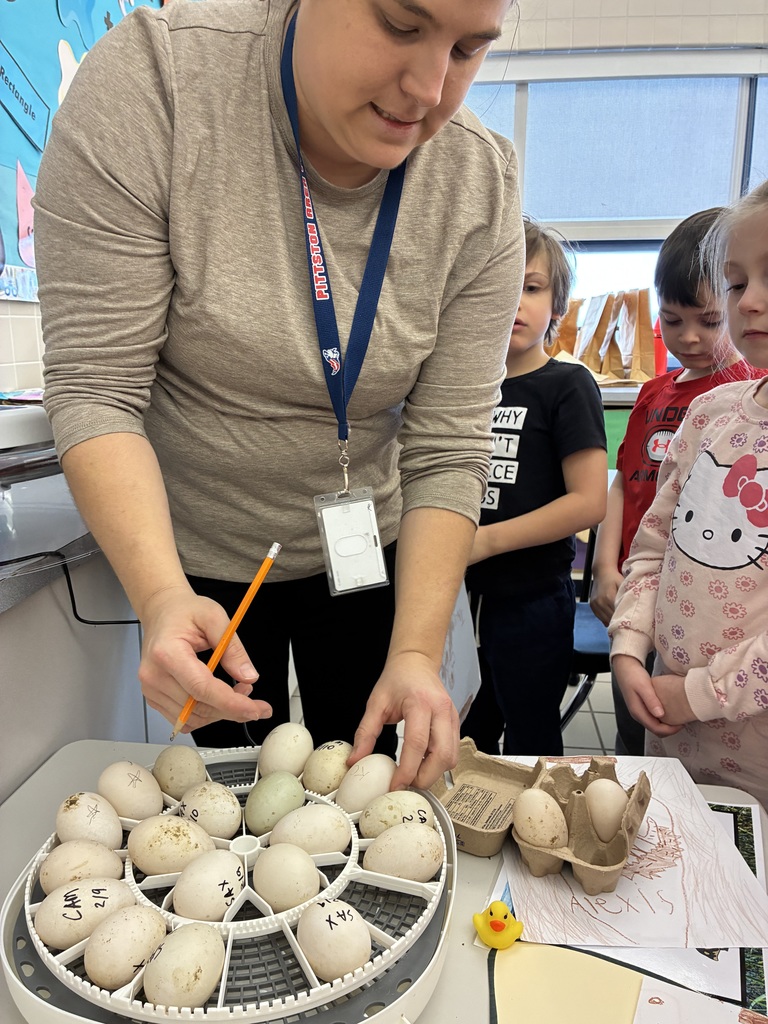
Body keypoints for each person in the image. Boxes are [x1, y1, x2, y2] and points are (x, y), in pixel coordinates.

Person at [33, 0, 523, 790]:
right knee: (223, 788)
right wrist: (161, 596)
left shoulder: (477, 183)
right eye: (401, 25)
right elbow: (97, 387)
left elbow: (448, 446)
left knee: (361, 768)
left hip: (367, 548)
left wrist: (415, 655)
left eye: (469, 49)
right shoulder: (158, 86)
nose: (429, 88)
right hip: (199, 556)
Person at [609, 179, 768, 809]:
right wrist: (628, 648)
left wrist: (700, 693)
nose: (750, 301)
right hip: (671, 735)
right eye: (736, 282)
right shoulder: (709, 414)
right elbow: (653, 546)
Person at [459, 216, 607, 757]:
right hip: (459, 598)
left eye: (532, 287)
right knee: (463, 734)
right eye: (501, 284)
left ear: (557, 305)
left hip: (531, 599)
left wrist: (487, 542)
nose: (515, 301)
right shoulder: (459, 390)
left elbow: (589, 501)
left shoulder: (567, 386)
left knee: (530, 739)